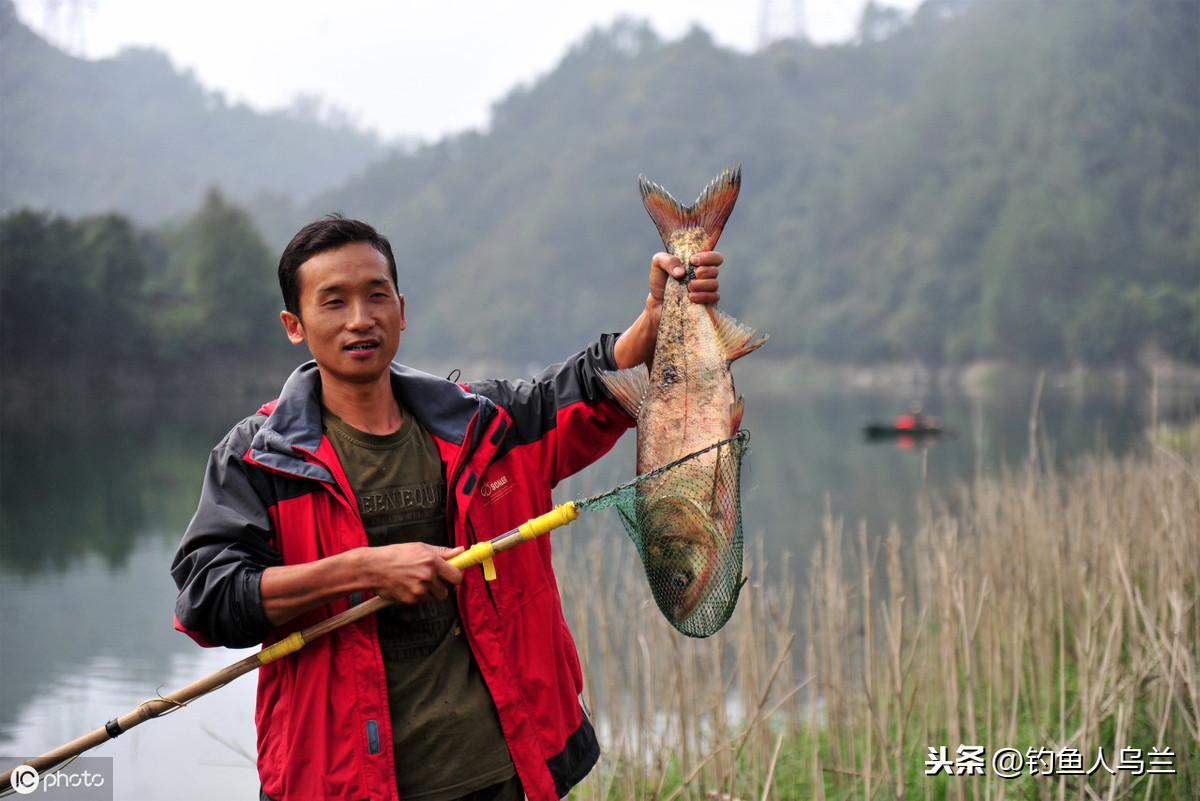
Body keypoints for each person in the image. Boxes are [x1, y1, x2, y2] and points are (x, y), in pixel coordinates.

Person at [170, 215, 722, 801]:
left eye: (375, 296)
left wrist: (656, 321)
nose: (361, 319)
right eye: (333, 302)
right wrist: (363, 569)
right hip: (343, 784)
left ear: (401, 311)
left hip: (507, 771)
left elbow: (583, 390)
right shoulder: (259, 458)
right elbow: (209, 599)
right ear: (295, 325)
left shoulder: (480, 424)